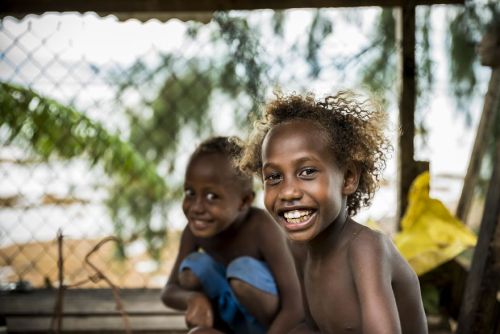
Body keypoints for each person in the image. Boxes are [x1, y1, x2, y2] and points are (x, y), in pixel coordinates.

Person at [239, 92, 428, 334]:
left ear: (348, 178)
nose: (287, 192)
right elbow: (310, 327)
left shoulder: (366, 248)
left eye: (307, 172)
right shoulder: (300, 251)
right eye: (274, 177)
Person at [161, 136, 303, 334]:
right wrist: (193, 299)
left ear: (244, 202)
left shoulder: (261, 227)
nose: (196, 207)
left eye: (212, 196)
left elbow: (296, 307)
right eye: (190, 192)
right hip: (227, 327)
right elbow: (169, 290)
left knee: (242, 270)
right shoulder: (195, 230)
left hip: (271, 328)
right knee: (194, 267)